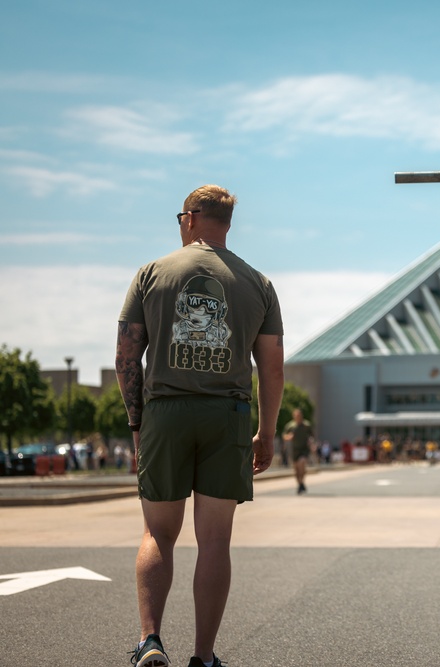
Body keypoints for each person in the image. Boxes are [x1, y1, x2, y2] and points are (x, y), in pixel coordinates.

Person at [117, 185, 284, 667]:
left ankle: (150, 640)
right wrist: (265, 433)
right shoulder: (257, 283)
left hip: (165, 412)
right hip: (226, 415)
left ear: (190, 218)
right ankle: (204, 657)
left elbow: (127, 353)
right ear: (226, 223)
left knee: (158, 534)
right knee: (214, 541)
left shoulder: (152, 273)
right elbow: (271, 367)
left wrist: (137, 424)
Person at [283, 408, 314, 493]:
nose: (298, 417)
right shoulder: (290, 426)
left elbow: (312, 436)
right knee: (296, 470)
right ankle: (300, 484)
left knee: (302, 463)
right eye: (296, 416)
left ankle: (301, 483)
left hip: (304, 449)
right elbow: (284, 436)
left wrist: (312, 444)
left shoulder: (306, 425)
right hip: (294, 450)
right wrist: (288, 437)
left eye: (299, 415)